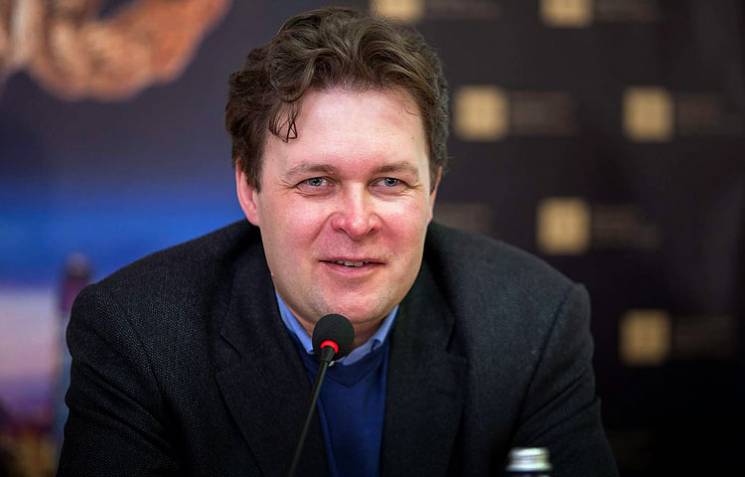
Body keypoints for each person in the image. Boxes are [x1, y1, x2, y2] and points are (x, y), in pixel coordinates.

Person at [58, 7, 618, 477]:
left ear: (432, 192)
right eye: (316, 182)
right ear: (250, 191)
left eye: (389, 182)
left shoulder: (530, 323)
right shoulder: (140, 337)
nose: (356, 221)